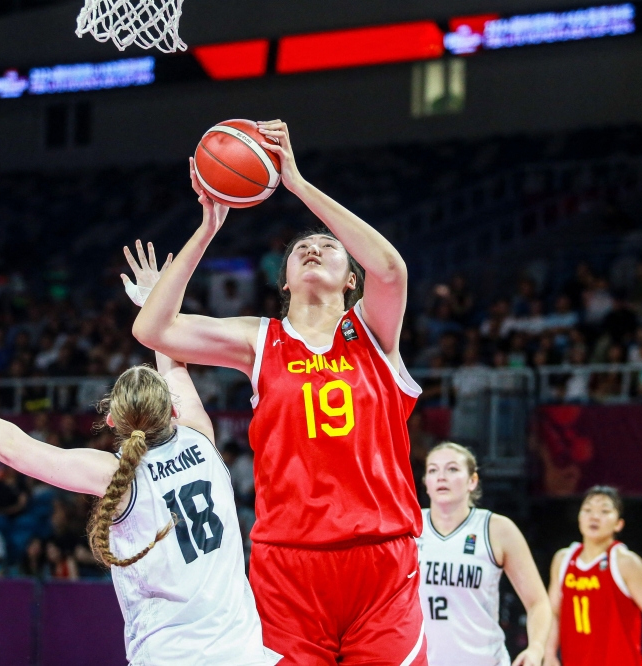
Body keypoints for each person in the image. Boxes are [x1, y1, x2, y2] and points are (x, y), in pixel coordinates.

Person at [0, 244, 278, 666]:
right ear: (172, 409)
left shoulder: (117, 475)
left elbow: (15, 448)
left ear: (111, 422)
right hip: (244, 652)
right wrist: (154, 303)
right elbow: (175, 368)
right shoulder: (201, 437)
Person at [132, 119, 427, 664]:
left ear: (351, 279)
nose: (314, 247)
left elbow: (390, 267)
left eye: (328, 247)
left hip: (382, 560)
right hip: (287, 563)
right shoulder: (258, 339)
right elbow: (153, 330)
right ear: (284, 280)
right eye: (302, 249)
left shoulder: (375, 333)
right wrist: (209, 226)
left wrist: (295, 182)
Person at [419, 443, 551, 666]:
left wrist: (536, 649)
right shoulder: (408, 527)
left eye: (452, 469)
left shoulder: (497, 529)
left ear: (473, 481)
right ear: (426, 483)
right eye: (433, 470)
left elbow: (538, 602)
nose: (441, 477)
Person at [545, 486, 642, 666]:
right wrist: (549, 654)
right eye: (588, 510)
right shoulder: (562, 560)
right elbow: (553, 613)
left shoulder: (625, 562)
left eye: (604, 511)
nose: (594, 516)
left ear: (618, 524)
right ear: (579, 517)